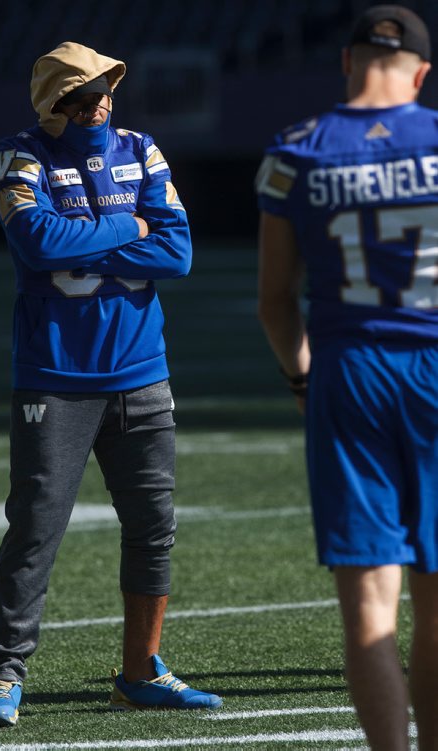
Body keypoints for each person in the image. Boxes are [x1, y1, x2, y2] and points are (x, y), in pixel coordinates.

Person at [0, 41, 222, 728]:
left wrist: (89, 231)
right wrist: (129, 223)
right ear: (53, 102)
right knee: (35, 529)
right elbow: (38, 244)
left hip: (142, 371)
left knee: (153, 529)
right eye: (82, 94)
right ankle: (2, 673)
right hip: (55, 376)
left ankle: (141, 670)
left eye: (105, 88)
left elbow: (177, 250)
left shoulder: (142, 149)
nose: (98, 103)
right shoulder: (17, 154)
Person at [256, 6, 438, 750]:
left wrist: (303, 382)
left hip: (349, 370)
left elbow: (274, 303)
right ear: (422, 73)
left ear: (346, 61)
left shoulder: (294, 152)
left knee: (370, 606)